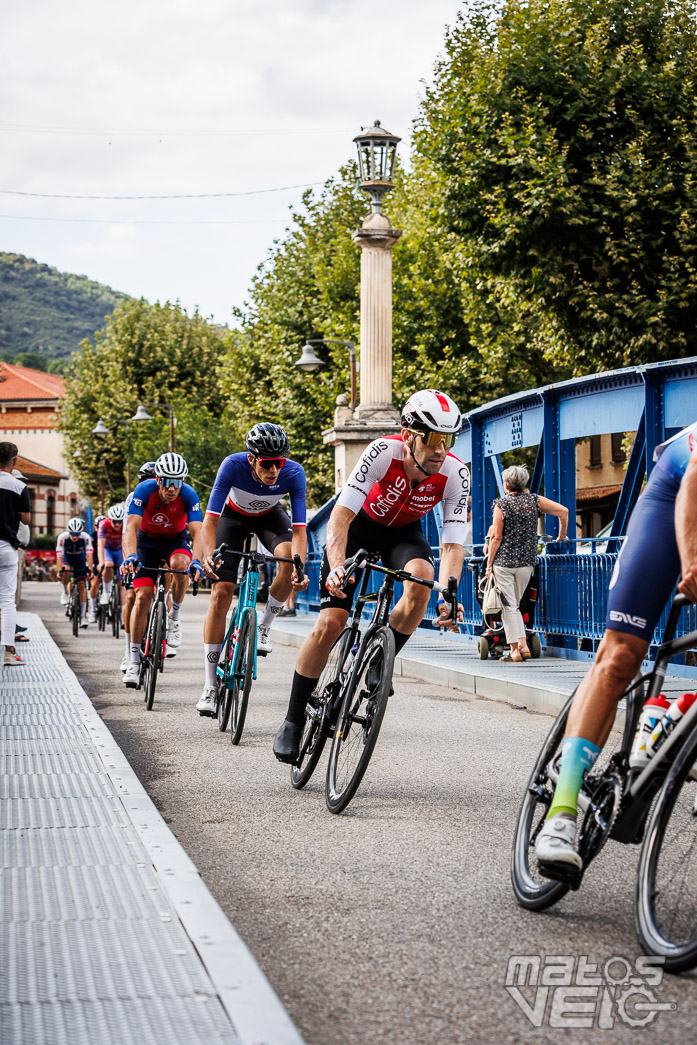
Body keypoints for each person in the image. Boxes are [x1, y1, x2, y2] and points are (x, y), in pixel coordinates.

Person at [273, 389, 469, 764]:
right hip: (360, 527)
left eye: (449, 440)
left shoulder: (455, 473)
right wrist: (337, 567)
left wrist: (449, 594)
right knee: (331, 622)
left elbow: (451, 547)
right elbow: (340, 518)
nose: (441, 450)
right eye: (432, 440)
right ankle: (294, 719)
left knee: (422, 578)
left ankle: (382, 655)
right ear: (409, 435)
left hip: (402, 534)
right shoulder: (383, 452)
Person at [535, 421, 697, 872]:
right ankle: (562, 811)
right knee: (621, 655)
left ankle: (669, 713)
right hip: (676, 497)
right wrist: (692, 559)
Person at [198, 423, 309, 716]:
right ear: (251, 459)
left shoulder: (294, 473)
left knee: (288, 558)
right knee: (221, 592)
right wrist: (208, 556)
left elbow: (299, 530)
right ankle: (210, 685)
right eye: (267, 464)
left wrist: (299, 566)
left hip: (268, 518)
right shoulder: (232, 465)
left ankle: (263, 628)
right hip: (232, 519)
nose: (274, 470)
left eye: (279, 463)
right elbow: (209, 521)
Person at [122, 452, 203, 687]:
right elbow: (131, 528)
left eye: (177, 482)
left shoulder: (188, 495)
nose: (172, 488)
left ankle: (174, 617)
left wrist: (197, 560)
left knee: (181, 565)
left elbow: (198, 532)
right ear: (157, 480)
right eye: (167, 481)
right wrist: (131, 555)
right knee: (143, 597)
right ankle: (134, 660)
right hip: (145, 542)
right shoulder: (144, 491)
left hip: (174, 542)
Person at [485, 465, 568, 661]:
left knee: (508, 607)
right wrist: (561, 536)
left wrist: (489, 565)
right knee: (515, 605)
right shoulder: (535, 501)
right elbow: (563, 511)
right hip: (526, 563)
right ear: (524, 484)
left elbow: (496, 537)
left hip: (503, 563)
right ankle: (523, 646)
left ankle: (514, 650)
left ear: (506, 485)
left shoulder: (501, 505)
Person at [120, 461, 157, 672]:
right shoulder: (133, 498)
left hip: (160, 542)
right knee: (133, 596)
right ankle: (128, 650)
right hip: (137, 545)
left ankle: (165, 623)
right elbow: (128, 533)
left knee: (168, 578)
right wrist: (128, 560)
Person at [0, 442, 31, 665]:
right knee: (7, 601)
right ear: (14, 461)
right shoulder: (18, 486)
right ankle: (9, 652)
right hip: (7, 547)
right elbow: (26, 519)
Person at [56, 518, 94, 628]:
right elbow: (59, 556)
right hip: (67, 558)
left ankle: (83, 617)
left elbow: (89, 554)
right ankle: (65, 592)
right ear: (68, 532)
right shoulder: (62, 538)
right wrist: (59, 571)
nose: (75, 536)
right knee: (66, 569)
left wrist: (90, 569)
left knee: (82, 586)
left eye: (77, 534)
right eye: (72, 534)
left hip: (80, 559)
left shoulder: (85, 538)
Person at [98, 503, 125, 614]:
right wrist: (101, 562)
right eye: (115, 521)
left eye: (120, 521)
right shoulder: (103, 524)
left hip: (119, 549)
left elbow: (126, 542)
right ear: (110, 519)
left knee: (121, 583)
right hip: (107, 549)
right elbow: (100, 545)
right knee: (108, 564)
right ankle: (106, 592)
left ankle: (123, 614)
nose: (118, 524)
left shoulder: (125, 524)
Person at [88, 515, 107, 622]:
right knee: (95, 583)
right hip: (96, 560)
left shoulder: (110, 533)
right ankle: (93, 610)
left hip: (109, 559)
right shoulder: (92, 536)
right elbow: (88, 552)